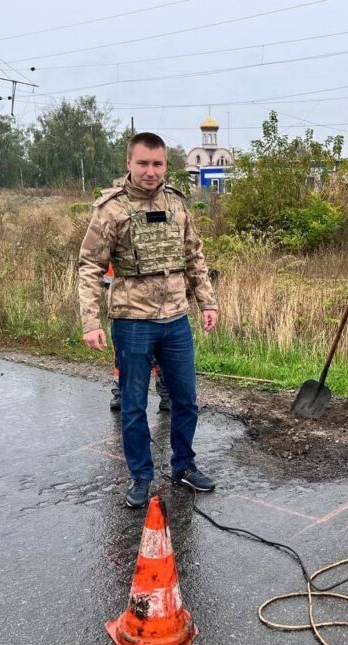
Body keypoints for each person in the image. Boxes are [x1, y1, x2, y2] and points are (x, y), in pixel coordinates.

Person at [78, 132, 219, 508]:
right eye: (143, 163)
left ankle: (184, 465)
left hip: (175, 318)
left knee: (186, 400)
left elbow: (194, 256)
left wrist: (208, 302)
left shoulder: (176, 203)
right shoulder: (111, 209)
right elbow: (90, 266)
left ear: (165, 166)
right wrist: (91, 322)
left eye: (157, 164)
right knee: (133, 404)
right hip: (132, 320)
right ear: (129, 163)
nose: (150, 171)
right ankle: (141, 476)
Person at [103, 263, 170, 413]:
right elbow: (106, 279)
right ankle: (120, 393)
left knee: (160, 355)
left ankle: (167, 395)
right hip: (126, 312)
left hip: (160, 310)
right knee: (123, 357)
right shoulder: (118, 245)